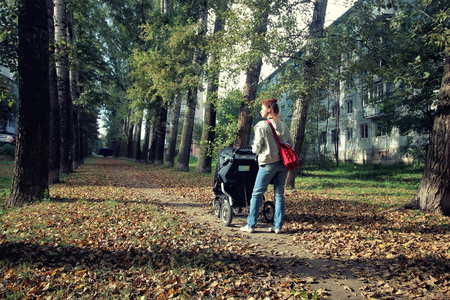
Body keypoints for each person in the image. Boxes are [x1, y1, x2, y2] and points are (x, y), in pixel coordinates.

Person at [240, 98, 293, 234]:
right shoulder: (283, 125)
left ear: (269, 109)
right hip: (282, 165)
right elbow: (290, 144)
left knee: (257, 193)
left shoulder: (261, 126)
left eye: (262, 108)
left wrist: (253, 149)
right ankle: (277, 227)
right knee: (279, 195)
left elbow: (256, 147)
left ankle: (251, 225)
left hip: (268, 163)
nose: (260, 110)